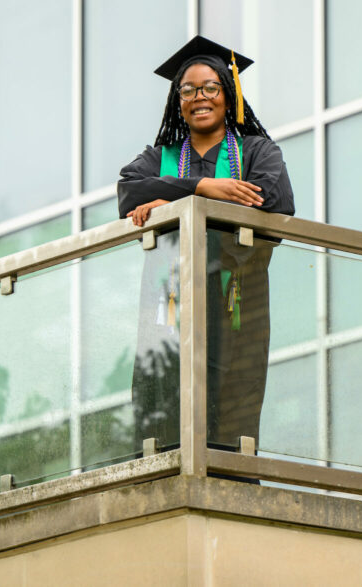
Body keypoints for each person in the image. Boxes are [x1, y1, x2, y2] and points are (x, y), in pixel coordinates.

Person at [118, 36, 295, 453]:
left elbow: (273, 199)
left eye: (210, 88)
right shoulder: (159, 157)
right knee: (161, 390)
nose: (199, 97)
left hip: (236, 296)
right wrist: (203, 186)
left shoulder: (255, 151)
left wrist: (172, 198)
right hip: (168, 304)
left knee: (234, 391)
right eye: (188, 90)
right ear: (177, 100)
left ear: (228, 95)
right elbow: (129, 192)